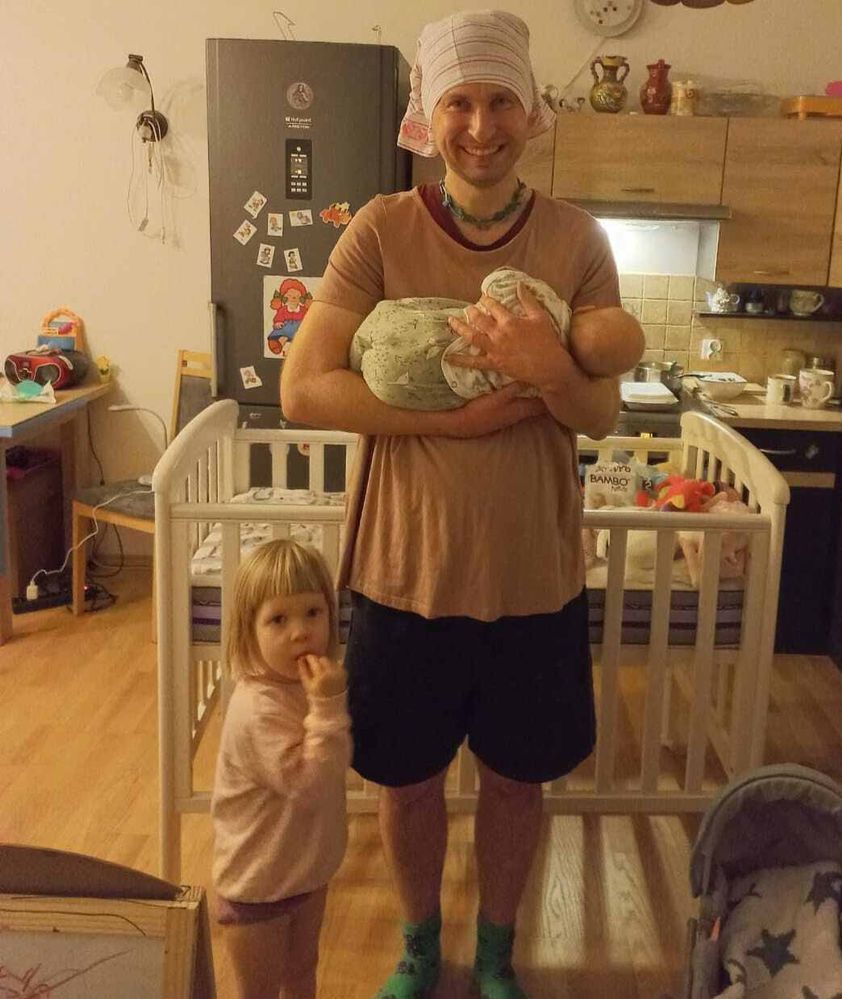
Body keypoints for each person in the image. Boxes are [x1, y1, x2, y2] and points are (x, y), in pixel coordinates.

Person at [280, 10, 643, 998]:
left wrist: (548, 367)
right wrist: (460, 421)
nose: (480, 127)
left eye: (499, 103)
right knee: (405, 782)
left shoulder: (576, 240)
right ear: (427, 115)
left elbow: (599, 414)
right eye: (459, 104)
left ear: (530, 112)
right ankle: (416, 944)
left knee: (518, 781)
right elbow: (303, 389)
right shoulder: (380, 231)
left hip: (533, 576)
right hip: (403, 572)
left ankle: (494, 952)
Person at [211, 539, 351, 999]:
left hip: (303, 870)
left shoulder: (306, 686)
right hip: (257, 885)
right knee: (260, 991)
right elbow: (311, 785)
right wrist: (328, 707)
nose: (301, 632)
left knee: (302, 973)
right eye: (278, 620)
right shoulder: (257, 710)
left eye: (313, 612)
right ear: (248, 631)